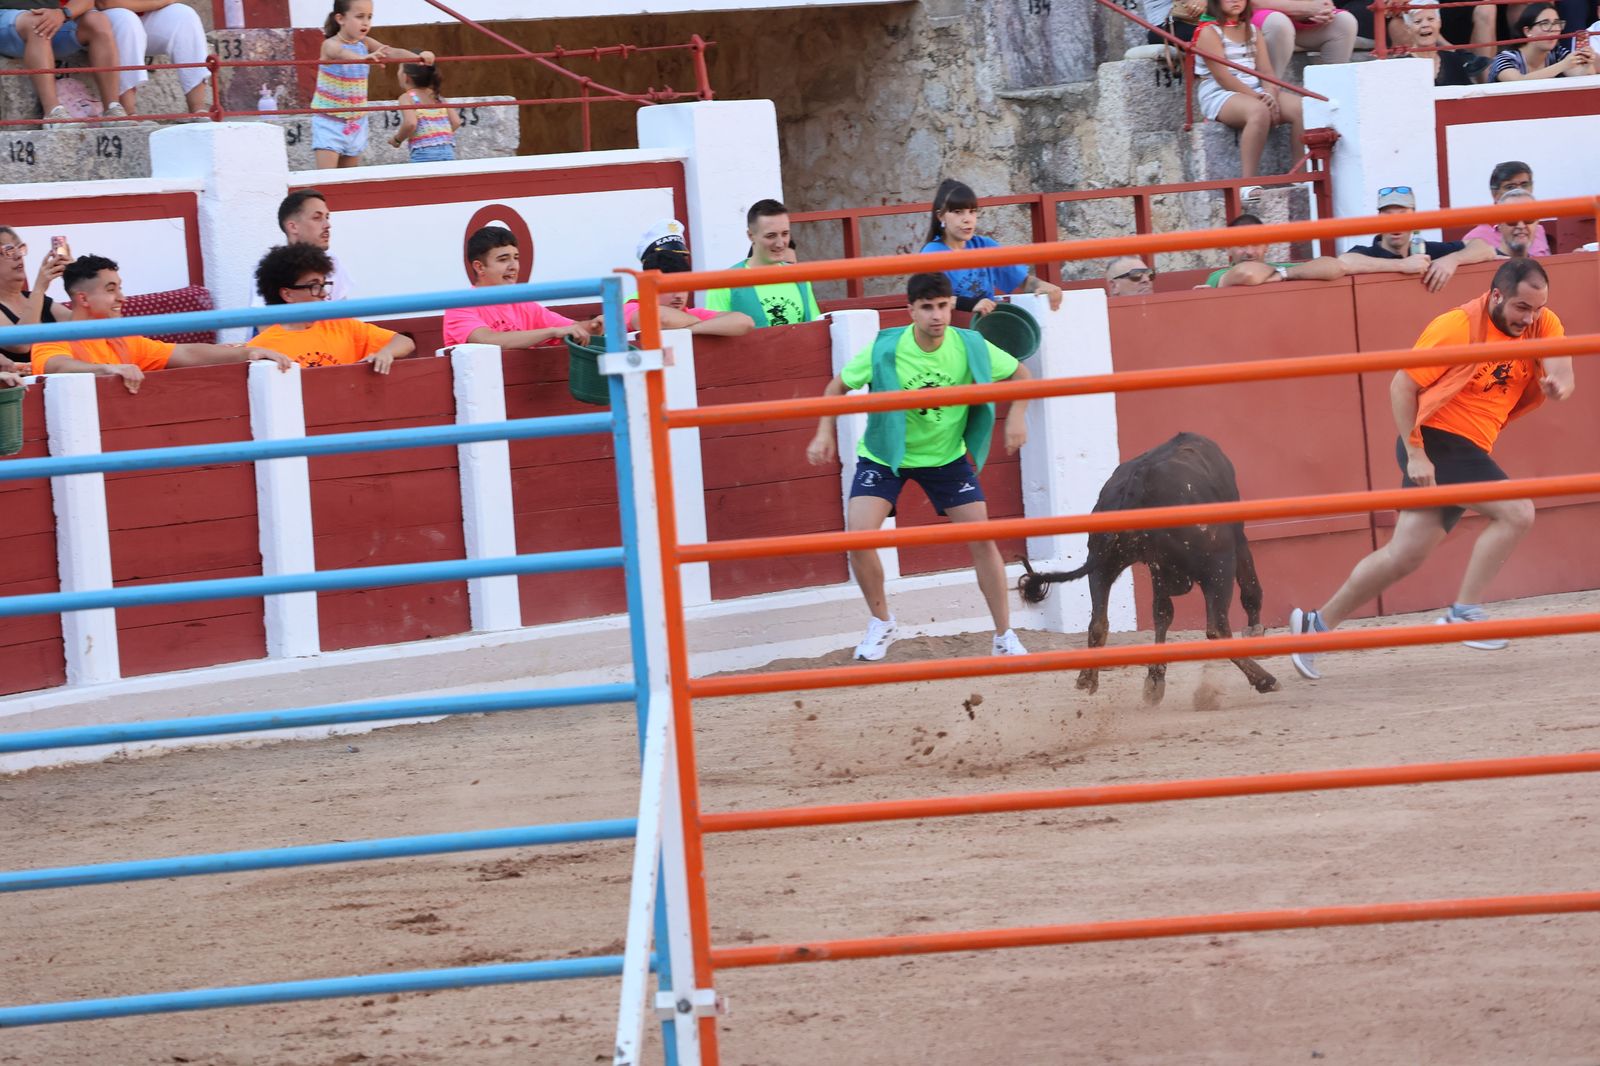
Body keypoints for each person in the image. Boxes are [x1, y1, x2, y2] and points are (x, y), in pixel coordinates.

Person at [1288, 258, 1574, 680]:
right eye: (1520, 309)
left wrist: (1559, 386)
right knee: (1518, 512)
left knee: (1402, 556)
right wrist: (1416, 452)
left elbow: (1564, 367)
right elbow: (1401, 385)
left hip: (1467, 448)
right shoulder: (1456, 325)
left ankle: (1315, 627)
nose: (1528, 319)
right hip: (1440, 441)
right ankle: (1465, 612)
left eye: (1536, 309)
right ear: (1496, 296)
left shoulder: (1542, 320)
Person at [804, 272, 1035, 661]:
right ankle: (882, 622)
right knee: (856, 536)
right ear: (911, 311)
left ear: (950, 306)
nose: (937, 316)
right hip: (886, 454)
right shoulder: (886, 348)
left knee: (984, 540)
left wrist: (1017, 416)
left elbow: (1022, 374)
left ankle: (1003, 636)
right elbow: (836, 387)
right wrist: (823, 431)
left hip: (946, 457)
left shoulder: (970, 344)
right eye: (927, 307)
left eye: (943, 306)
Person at [31, 255, 291, 393]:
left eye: (120, 288)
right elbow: (56, 365)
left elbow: (185, 352)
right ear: (83, 298)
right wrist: (107, 370)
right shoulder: (53, 337)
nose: (121, 297)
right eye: (111, 289)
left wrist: (247, 352)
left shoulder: (125, 339)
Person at [312, 0, 438, 169]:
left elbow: (392, 51)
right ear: (340, 19)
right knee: (327, 180)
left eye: (369, 17)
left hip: (356, 121)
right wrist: (362, 59)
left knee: (348, 181)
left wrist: (419, 57)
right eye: (359, 16)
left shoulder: (365, 43)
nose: (365, 22)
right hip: (330, 122)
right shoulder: (330, 44)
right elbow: (340, 52)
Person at [250, 244, 413, 372]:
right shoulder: (264, 346)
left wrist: (386, 353)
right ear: (288, 294)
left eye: (323, 285)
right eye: (314, 286)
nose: (323, 294)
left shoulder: (342, 326)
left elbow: (405, 342)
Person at [1191, 0, 1305, 180]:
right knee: (1259, 111)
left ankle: (1301, 177)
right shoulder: (1209, 31)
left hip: (1255, 90)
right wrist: (1259, 98)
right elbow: (1223, 78)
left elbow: (1267, 72)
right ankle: (1248, 183)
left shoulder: (1252, 30)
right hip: (1220, 93)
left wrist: (1270, 94)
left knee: (1302, 108)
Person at [442, 225, 601, 349]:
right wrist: (552, 331)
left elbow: (572, 329)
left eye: (516, 258)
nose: (513, 266)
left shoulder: (523, 304)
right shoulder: (460, 305)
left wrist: (594, 326)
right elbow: (487, 340)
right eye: (503, 259)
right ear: (479, 267)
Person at [920, 179, 1063, 315]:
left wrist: (1042, 286)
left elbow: (1023, 280)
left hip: (986, 328)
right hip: (952, 333)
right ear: (941, 216)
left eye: (972, 211)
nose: (967, 219)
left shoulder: (984, 246)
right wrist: (970, 304)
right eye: (958, 212)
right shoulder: (932, 253)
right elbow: (929, 300)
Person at [1338, 186, 1495, 293]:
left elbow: (1484, 248)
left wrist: (1453, 260)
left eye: (1402, 215)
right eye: (1388, 215)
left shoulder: (1429, 249)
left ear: (1415, 220)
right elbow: (1345, 262)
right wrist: (1401, 265)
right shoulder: (1367, 252)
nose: (1395, 222)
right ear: (1378, 219)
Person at [0, 0, 125, 129]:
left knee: (98, 21)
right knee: (39, 23)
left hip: (53, 18)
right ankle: (53, 114)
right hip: (8, 16)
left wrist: (63, 13)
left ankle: (112, 109)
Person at [702, 199, 822, 328]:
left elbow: (815, 326)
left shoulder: (800, 278)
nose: (780, 243)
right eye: (771, 236)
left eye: (785, 234)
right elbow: (715, 338)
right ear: (751, 235)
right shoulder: (724, 283)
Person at [623, 219, 754, 336]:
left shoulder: (689, 314)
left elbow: (745, 322)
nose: (679, 295)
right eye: (670, 287)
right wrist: (712, 325)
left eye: (683, 286)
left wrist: (690, 330)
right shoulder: (631, 306)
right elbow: (662, 318)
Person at [97, 0, 210, 117]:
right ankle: (128, 112)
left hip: (144, 12)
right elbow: (105, 3)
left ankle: (198, 109)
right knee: (126, 20)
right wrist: (157, 3)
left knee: (185, 15)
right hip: (102, 20)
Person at [1204, 213, 1345, 287]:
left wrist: (1283, 274)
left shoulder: (1281, 269)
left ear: (1266, 246)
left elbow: (1335, 267)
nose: (1250, 252)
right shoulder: (1216, 277)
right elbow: (1248, 274)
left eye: (1256, 244)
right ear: (1228, 249)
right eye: (1241, 245)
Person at [267, 190, 354, 301]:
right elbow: (263, 316)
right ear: (293, 227)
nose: (327, 225)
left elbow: (343, 312)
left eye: (327, 217)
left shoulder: (333, 261)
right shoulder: (271, 270)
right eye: (317, 218)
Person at [0, 228, 68, 371]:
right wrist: (39, 288)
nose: (19, 255)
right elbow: (22, 345)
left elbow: (84, 325)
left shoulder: (36, 299)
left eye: (20, 248)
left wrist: (73, 278)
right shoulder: (36, 296)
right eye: (9, 250)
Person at [1462, 163, 1552, 256]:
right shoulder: (1474, 238)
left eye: (1524, 185)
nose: (1519, 191)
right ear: (1494, 194)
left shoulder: (1537, 229)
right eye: (1510, 187)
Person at [1393, 0, 1491, 83]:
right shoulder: (1400, 66)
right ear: (1408, 28)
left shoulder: (1454, 60)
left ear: (1439, 23)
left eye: (1431, 19)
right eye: (1417, 21)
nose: (1425, 25)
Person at [1491, 3, 1594, 80]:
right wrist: (1563, 65)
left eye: (1557, 23)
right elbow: (1518, 82)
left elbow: (1581, 75)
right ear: (1527, 31)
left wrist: (1587, 64)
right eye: (1545, 23)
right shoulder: (1504, 59)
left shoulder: (1558, 53)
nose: (1553, 29)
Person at [388, 62, 458, 163]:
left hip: (423, 153)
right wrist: (437, 136)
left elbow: (410, 123)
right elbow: (456, 122)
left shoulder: (407, 97)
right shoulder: (438, 97)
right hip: (447, 150)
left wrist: (397, 140)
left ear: (406, 77)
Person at [1485, 188, 1544, 258]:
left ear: (1537, 222)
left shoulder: (1542, 265)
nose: (1521, 226)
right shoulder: (1484, 263)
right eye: (1512, 218)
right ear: (1499, 223)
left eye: (1528, 218)